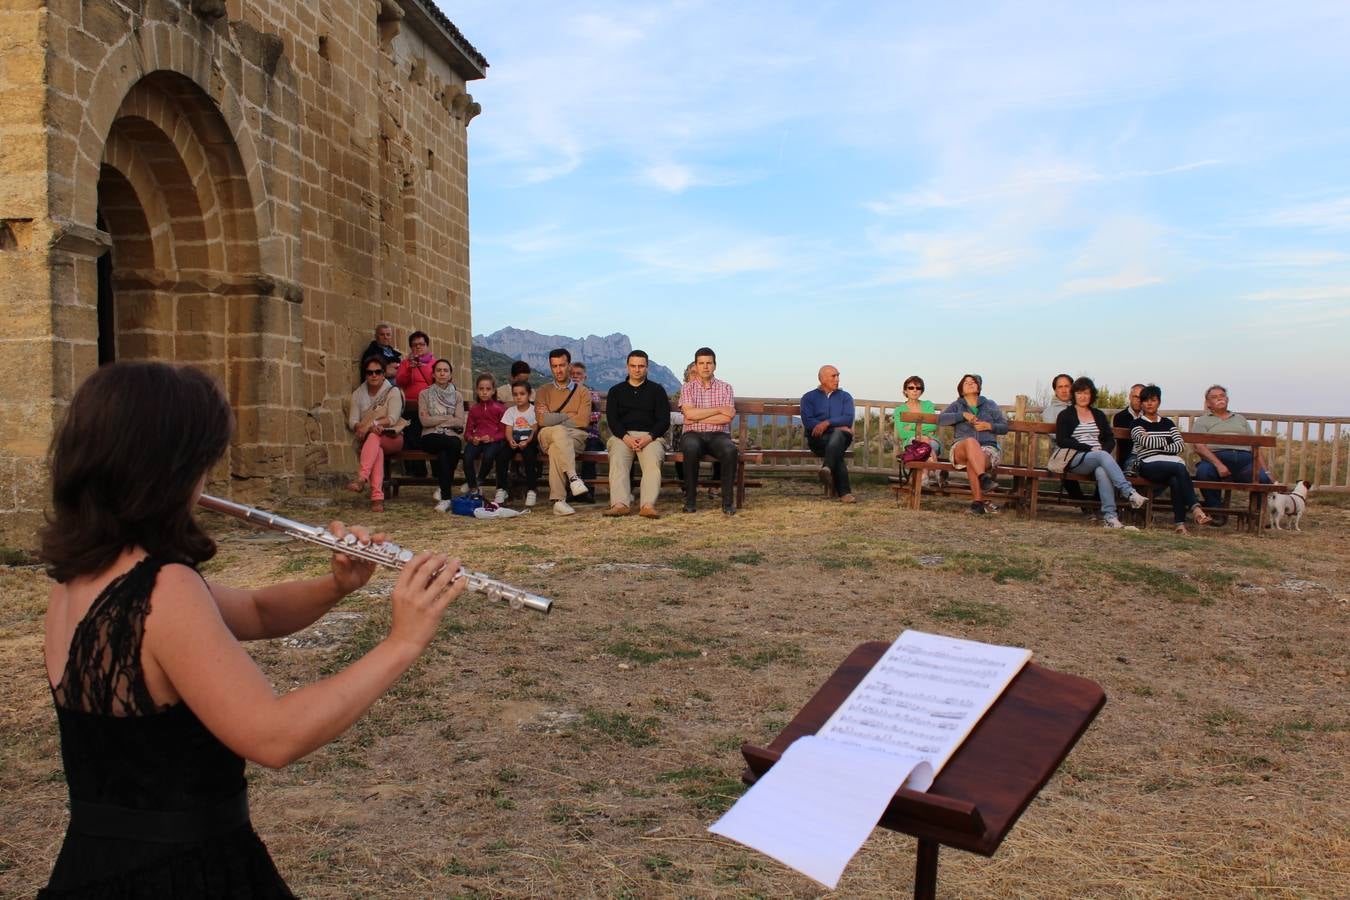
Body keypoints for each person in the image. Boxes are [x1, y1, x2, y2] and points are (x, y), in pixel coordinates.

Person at [38, 361, 465, 896]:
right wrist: (402, 642)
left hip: (94, 864)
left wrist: (337, 585)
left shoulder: (83, 577)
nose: (205, 480)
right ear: (164, 468)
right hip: (181, 873)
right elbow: (274, 736)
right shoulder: (163, 589)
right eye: (202, 462)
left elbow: (259, 612)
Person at [1054, 377, 1149, 529]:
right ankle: (1129, 492)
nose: (1083, 396)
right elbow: (1062, 440)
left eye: (1086, 393)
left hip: (1098, 458)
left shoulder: (1098, 415)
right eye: (1079, 393)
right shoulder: (1065, 415)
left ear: (1092, 395)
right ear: (1074, 395)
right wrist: (1089, 449)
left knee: (1102, 471)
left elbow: (1109, 439)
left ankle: (1110, 518)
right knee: (1102, 456)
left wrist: (1102, 452)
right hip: (1076, 458)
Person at [1131, 384, 1213, 534]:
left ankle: (1180, 525)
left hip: (1169, 464)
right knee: (1179, 468)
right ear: (1141, 403)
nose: (1149, 403)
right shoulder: (1137, 423)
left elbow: (1180, 446)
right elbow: (1146, 444)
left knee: (1176, 480)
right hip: (1148, 464)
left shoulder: (1168, 423)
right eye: (1146, 400)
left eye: (1153, 400)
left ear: (1159, 402)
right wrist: (1167, 441)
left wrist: (1156, 443)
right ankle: (1196, 509)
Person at [603, 350, 671, 519]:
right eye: (633, 366)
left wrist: (649, 437)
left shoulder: (657, 390)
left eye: (641, 366)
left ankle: (647, 505)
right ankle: (620, 504)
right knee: (618, 458)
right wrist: (626, 438)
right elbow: (612, 420)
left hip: (651, 436)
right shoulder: (616, 391)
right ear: (627, 367)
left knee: (652, 462)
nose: (637, 369)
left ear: (647, 368)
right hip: (623, 436)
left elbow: (664, 420)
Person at [1192, 384, 1272, 520]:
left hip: (1244, 461)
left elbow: (1255, 445)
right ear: (1208, 403)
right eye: (1214, 397)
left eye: (1222, 396)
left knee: (1262, 478)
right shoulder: (1202, 421)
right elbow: (1199, 446)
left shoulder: (1240, 419)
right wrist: (1219, 465)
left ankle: (1257, 516)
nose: (1219, 399)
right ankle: (1216, 512)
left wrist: (1267, 471)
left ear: (1227, 399)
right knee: (1203, 472)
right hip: (1216, 459)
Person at [679, 347, 738, 515]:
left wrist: (697, 416)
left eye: (709, 363)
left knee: (730, 450)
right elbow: (689, 413)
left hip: (718, 435)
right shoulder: (687, 388)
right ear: (696, 366)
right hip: (692, 434)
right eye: (701, 363)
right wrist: (719, 409)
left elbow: (726, 418)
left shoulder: (726, 388)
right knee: (690, 448)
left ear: (715, 365)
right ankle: (690, 501)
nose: (705, 367)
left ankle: (727, 503)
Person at [937, 374, 1008, 515]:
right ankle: (984, 478)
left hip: (988, 448)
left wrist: (989, 426)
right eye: (966, 382)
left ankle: (977, 504)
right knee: (970, 442)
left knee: (973, 461)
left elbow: (1004, 427)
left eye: (973, 382)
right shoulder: (957, 405)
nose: (970, 383)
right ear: (961, 390)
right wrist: (962, 415)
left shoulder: (990, 404)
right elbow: (940, 420)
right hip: (961, 448)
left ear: (979, 387)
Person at [533, 348, 592, 516]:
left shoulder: (582, 392)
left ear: (569, 366)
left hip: (576, 437)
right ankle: (574, 478)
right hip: (547, 434)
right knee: (558, 432)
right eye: (554, 366)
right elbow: (542, 421)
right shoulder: (543, 391)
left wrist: (554, 415)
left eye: (562, 365)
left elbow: (583, 421)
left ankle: (559, 501)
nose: (558, 370)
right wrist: (569, 415)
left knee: (556, 449)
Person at [347, 354, 405, 512]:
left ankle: (362, 478)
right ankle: (377, 499)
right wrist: (360, 426)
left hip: (392, 437)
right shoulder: (358, 394)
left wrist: (372, 425)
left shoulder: (392, 392)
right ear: (365, 374)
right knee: (376, 446)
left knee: (374, 436)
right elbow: (352, 420)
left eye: (378, 372)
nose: (374, 375)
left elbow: (392, 419)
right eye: (370, 372)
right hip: (372, 440)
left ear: (383, 373)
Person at [800, 365, 856, 503]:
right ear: (822, 378)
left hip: (842, 438)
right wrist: (838, 426)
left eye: (838, 375)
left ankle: (827, 467)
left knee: (837, 436)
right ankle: (844, 493)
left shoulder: (845, 397)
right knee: (836, 447)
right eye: (833, 376)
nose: (837, 379)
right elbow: (808, 421)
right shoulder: (808, 398)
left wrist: (827, 423)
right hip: (818, 440)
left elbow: (848, 418)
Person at [419, 359, 465, 512]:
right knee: (453, 445)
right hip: (430, 436)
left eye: (445, 370)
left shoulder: (457, 396)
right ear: (433, 374)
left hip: (449, 437)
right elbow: (425, 421)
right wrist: (447, 418)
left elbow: (459, 421)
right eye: (438, 370)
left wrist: (438, 421)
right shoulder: (424, 394)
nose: (442, 373)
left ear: (450, 374)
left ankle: (445, 496)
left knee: (445, 453)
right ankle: (445, 490)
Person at [462, 373, 509, 505]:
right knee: (467, 457)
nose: (484, 392)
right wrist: (472, 438)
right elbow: (467, 432)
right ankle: (473, 487)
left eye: (488, 389)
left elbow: (504, 432)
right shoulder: (474, 409)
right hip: (477, 440)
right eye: (481, 389)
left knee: (489, 456)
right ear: (477, 390)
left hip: (493, 441)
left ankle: (479, 480)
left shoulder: (500, 408)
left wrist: (492, 438)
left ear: (493, 391)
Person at [1044, 373, 1089, 505]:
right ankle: (1083, 504)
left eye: (1067, 386)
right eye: (1060, 387)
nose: (1064, 390)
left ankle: (1095, 502)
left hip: (1085, 450)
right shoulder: (1049, 412)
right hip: (1062, 451)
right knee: (1064, 463)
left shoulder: (1084, 408)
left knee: (1102, 463)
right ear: (1055, 390)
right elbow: (1055, 435)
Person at [395, 331, 435, 475]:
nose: (418, 347)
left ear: (427, 345)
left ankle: (437, 472)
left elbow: (438, 384)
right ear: (411, 347)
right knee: (412, 439)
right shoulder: (406, 363)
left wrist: (421, 367)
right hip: (411, 407)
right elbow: (400, 381)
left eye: (421, 344)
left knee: (433, 437)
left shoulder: (434, 363)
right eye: (415, 345)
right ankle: (418, 473)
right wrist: (409, 369)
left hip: (431, 408)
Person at [893, 375, 942, 488]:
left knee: (926, 443)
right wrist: (922, 433)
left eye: (918, 388)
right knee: (924, 443)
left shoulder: (928, 405)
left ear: (921, 391)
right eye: (911, 388)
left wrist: (911, 426)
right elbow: (902, 433)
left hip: (931, 440)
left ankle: (924, 477)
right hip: (911, 442)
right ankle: (935, 471)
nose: (914, 390)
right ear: (905, 390)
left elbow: (932, 426)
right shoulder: (899, 410)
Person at [501, 381, 540, 507]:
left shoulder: (533, 410)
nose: (518, 397)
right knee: (502, 456)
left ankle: (531, 490)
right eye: (515, 394)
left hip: (529, 441)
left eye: (522, 394)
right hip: (514, 440)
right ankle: (501, 489)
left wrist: (527, 441)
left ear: (529, 395)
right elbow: (508, 429)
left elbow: (534, 428)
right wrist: (510, 440)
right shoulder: (510, 411)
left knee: (530, 458)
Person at [572, 361, 605, 489]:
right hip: (571, 435)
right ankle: (570, 489)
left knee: (591, 447)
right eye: (572, 374)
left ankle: (588, 490)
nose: (575, 376)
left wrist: (575, 418)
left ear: (584, 377)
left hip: (589, 435)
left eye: (578, 374)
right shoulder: (564, 395)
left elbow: (596, 416)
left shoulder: (592, 394)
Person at [1114, 383, 1145, 471]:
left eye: (1141, 397)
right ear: (1130, 397)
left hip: (1148, 457)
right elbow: (1123, 443)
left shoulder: (1149, 417)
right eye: (1135, 397)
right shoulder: (1120, 417)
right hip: (1129, 457)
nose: (1138, 400)